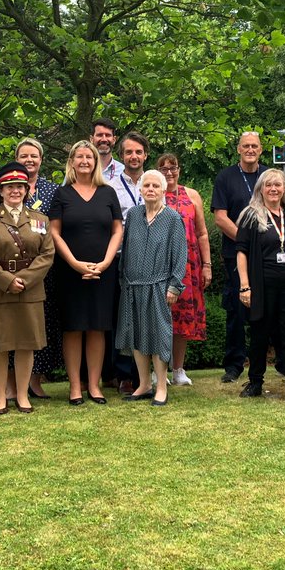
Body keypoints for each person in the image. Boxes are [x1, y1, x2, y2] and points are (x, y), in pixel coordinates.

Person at [0, 162, 56, 415]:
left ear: (26, 190)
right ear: (0, 191)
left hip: (30, 291)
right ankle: (1, 396)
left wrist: (24, 279)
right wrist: (7, 280)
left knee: (25, 344)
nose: (15, 191)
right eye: (9, 187)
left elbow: (47, 254)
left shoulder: (40, 220)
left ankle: (22, 395)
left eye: (20, 186)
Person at [48, 140, 123, 405]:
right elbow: (54, 232)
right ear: (71, 162)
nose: (84, 161)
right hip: (70, 271)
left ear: (95, 162)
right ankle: (75, 386)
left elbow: (117, 230)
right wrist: (75, 263)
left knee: (97, 327)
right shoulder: (62, 194)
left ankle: (94, 385)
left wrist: (104, 262)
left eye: (89, 157)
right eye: (79, 157)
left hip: (103, 271)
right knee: (73, 327)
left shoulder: (107, 193)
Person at [234, 168, 285, 405]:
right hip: (262, 284)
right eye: (268, 185)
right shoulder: (251, 215)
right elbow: (242, 253)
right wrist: (245, 286)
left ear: (284, 188)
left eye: (278, 185)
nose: (273, 189)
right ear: (260, 189)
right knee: (260, 333)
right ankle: (256, 381)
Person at [115, 170, 188, 406]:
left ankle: (160, 387)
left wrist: (174, 287)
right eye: (146, 185)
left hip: (159, 286)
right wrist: (123, 279)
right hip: (133, 286)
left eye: (156, 186)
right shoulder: (134, 215)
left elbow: (180, 255)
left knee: (158, 336)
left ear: (163, 190)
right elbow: (125, 250)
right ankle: (144, 384)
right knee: (136, 335)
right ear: (140, 189)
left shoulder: (172, 218)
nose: (150, 189)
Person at [212, 131, 268, 384]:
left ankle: (263, 362)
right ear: (238, 149)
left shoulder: (268, 177)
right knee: (236, 309)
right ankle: (234, 364)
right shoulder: (226, 177)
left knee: (266, 308)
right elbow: (220, 218)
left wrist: (262, 244)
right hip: (235, 253)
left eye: (254, 146)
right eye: (245, 145)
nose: (250, 149)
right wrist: (247, 242)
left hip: (267, 254)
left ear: (261, 149)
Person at [11, 137, 62, 399]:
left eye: (34, 156)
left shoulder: (52, 190)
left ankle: (35, 379)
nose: (29, 160)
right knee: (13, 325)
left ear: (41, 159)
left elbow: (57, 229)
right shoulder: (6, 188)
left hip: (45, 270)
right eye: (24, 156)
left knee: (41, 324)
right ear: (16, 159)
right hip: (12, 272)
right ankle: (11, 383)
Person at [157, 152, 211, 385]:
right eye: (164, 168)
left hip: (188, 266)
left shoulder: (192, 195)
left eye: (173, 167)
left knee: (182, 318)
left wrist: (207, 265)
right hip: (160, 266)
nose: (169, 172)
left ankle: (178, 369)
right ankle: (157, 369)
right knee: (159, 317)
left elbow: (201, 232)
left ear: (179, 169)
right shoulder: (153, 193)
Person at [107, 131, 150, 394]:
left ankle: (145, 374)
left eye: (138, 152)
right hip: (120, 258)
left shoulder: (154, 182)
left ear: (146, 154)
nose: (133, 156)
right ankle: (123, 373)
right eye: (128, 152)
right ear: (122, 156)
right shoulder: (109, 186)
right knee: (121, 317)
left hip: (149, 262)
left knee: (145, 317)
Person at [92, 117, 125, 183]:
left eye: (108, 135)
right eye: (99, 135)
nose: (104, 139)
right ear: (91, 139)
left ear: (114, 139)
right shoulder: (80, 169)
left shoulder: (123, 171)